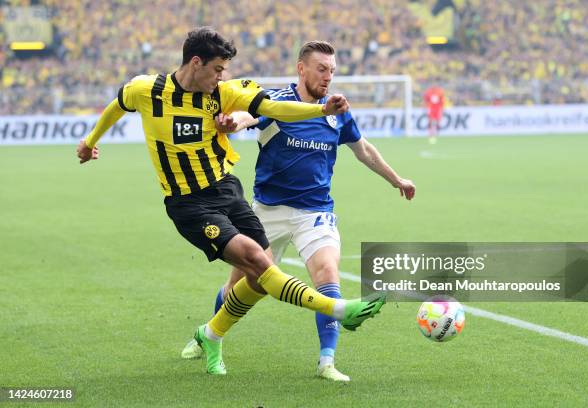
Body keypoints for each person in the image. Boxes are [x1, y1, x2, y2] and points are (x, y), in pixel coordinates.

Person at [76, 27, 386, 376]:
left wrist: (319, 111)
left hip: (227, 190)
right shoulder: (147, 90)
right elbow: (117, 106)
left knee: (255, 280)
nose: (223, 76)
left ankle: (210, 334)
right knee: (258, 261)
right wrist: (90, 141)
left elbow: (270, 108)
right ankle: (338, 308)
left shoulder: (223, 91)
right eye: (218, 69)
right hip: (189, 203)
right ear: (196, 62)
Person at [181, 41, 415, 381]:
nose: (328, 77)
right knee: (241, 285)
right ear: (301, 68)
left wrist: (397, 180)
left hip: (315, 212)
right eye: (322, 69)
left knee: (327, 275)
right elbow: (249, 114)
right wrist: (233, 121)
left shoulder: (336, 110)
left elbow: (362, 149)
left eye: (332, 71)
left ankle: (327, 362)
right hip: (266, 212)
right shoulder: (277, 101)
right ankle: (209, 337)